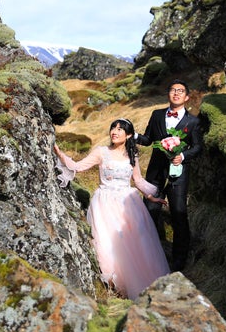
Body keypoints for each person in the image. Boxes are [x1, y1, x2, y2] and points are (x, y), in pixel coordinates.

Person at [53, 118, 170, 299]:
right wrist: (61, 155)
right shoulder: (101, 152)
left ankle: (139, 284)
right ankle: (116, 286)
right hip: (104, 203)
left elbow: (137, 180)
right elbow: (78, 166)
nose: (115, 132)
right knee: (109, 244)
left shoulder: (133, 154)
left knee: (134, 244)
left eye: (120, 129)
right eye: (113, 128)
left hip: (128, 203)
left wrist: (151, 195)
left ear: (129, 135)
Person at [136, 79, 203, 271]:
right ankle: (147, 257)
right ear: (168, 94)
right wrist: (133, 135)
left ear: (187, 97)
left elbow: (198, 147)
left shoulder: (193, 121)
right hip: (155, 172)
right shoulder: (156, 115)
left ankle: (179, 262)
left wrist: (182, 155)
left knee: (179, 214)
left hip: (179, 176)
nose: (176, 93)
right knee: (148, 212)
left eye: (180, 91)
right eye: (173, 90)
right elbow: (148, 140)